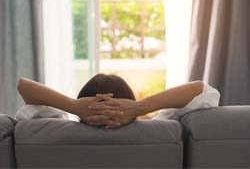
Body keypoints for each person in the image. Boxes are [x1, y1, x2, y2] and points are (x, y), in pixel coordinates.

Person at [16, 73, 220, 129]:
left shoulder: (51, 131)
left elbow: (24, 86)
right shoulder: (164, 131)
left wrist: (72, 106)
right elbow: (202, 91)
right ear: (128, 102)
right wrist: (139, 107)